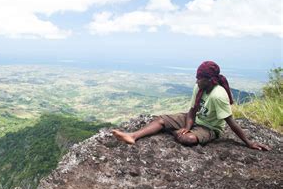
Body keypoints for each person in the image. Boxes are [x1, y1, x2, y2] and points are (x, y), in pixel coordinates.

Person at [112, 61, 270, 151]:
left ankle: (172, 131)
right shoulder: (199, 88)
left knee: (188, 139)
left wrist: (248, 142)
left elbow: (231, 122)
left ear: (208, 80)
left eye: (199, 78)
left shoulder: (218, 95)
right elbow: (192, 110)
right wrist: (187, 125)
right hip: (195, 120)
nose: (196, 81)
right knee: (160, 120)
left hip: (209, 127)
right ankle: (132, 136)